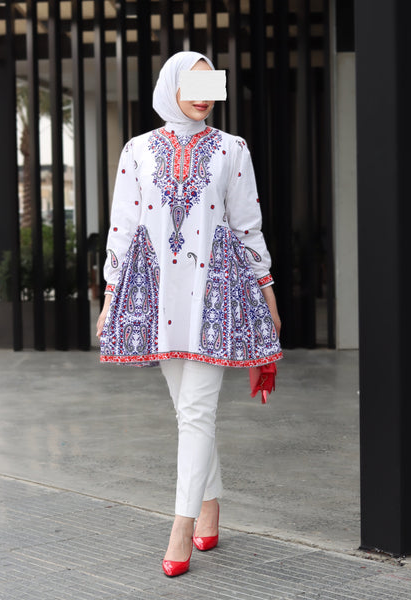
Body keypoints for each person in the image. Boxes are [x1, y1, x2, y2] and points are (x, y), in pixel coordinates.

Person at [96, 51, 282, 577]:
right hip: (159, 296)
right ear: (170, 86)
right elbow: (123, 227)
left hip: (215, 294)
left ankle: (180, 527)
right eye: (193, 84)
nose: (204, 96)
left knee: (197, 410)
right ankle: (210, 505)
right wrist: (110, 298)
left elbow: (247, 225)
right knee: (188, 412)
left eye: (211, 85)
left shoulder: (232, 148)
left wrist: (267, 296)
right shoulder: (137, 150)